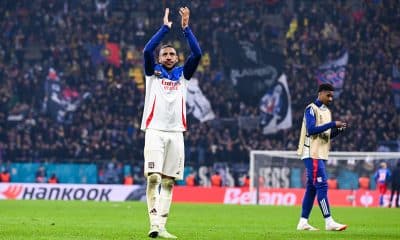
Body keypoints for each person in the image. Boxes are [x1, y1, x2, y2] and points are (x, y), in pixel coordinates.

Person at [141, 7, 201, 239]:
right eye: (164, 54)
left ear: (177, 59)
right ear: (159, 58)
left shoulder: (182, 76)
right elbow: (147, 50)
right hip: (155, 130)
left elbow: (197, 54)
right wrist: (164, 29)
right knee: (154, 177)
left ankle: (163, 226)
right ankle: (153, 223)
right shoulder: (152, 73)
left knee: (168, 182)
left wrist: (186, 29)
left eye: (171, 55)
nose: (168, 57)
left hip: (176, 132)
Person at [296, 83, 348, 231]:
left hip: (320, 153)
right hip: (311, 153)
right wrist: (332, 124)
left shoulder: (326, 112)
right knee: (322, 185)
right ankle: (329, 221)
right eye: (328, 95)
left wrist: (338, 130)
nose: (331, 98)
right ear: (320, 93)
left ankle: (303, 222)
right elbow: (311, 130)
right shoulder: (311, 109)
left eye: (332, 96)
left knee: (312, 189)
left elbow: (326, 136)